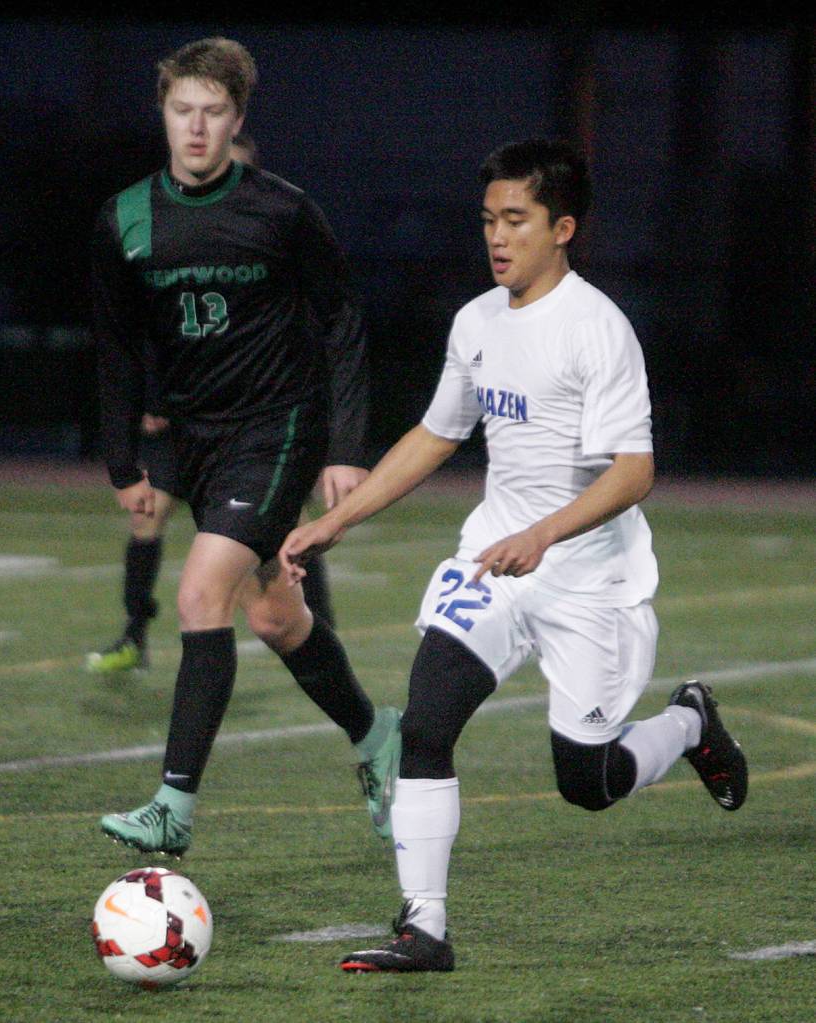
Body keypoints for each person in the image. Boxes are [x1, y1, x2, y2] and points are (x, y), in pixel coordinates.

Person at [279, 138, 748, 972]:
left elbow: (636, 471)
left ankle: (689, 722)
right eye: (489, 220)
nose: (497, 237)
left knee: (588, 781)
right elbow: (436, 432)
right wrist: (338, 520)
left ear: (562, 227)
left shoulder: (599, 330)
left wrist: (546, 533)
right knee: (425, 722)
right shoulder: (477, 321)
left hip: (588, 580)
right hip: (494, 560)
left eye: (517, 220)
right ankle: (424, 927)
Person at [91, 37, 401, 857]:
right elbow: (119, 346)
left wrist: (344, 445)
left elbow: (340, 320)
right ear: (163, 113)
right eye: (182, 110)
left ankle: (173, 805)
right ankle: (377, 737)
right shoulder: (125, 217)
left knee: (201, 595)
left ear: (238, 119)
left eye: (214, 112)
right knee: (275, 614)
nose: (197, 128)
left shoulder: (283, 210)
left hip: (279, 429)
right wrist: (123, 460)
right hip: (196, 438)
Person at [86, 131, 336, 675]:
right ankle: (133, 634)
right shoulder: (161, 236)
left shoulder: (271, 236)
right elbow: (145, 332)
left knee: (288, 526)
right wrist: (149, 402)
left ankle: (319, 629)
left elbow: (321, 323)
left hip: (259, 424)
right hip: (186, 422)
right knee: (147, 520)